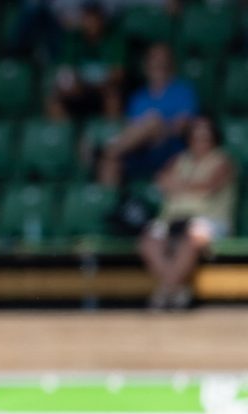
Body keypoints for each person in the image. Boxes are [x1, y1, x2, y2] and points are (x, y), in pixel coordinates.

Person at [139, 116, 235, 310]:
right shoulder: (179, 159)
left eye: (205, 138)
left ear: (214, 139)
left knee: (191, 238)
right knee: (149, 241)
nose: (200, 142)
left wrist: (177, 186)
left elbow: (208, 187)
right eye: (196, 137)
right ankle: (176, 289)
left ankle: (166, 290)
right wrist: (186, 187)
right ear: (189, 139)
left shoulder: (223, 160)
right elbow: (160, 181)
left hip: (209, 220)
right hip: (172, 219)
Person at [97, 43, 197, 187]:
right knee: (110, 163)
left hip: (168, 148)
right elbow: (130, 129)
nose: (159, 63)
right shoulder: (138, 97)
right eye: (154, 58)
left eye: (163, 59)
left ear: (171, 63)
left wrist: (155, 128)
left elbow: (181, 127)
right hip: (139, 149)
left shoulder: (184, 91)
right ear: (147, 64)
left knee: (153, 120)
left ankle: (107, 150)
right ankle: (109, 205)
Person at [46, 1, 125, 121]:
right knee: (54, 97)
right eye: (87, 18)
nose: (91, 23)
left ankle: (111, 136)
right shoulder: (74, 39)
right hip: (80, 89)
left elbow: (118, 73)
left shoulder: (114, 39)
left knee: (113, 96)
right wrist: (71, 84)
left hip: (102, 90)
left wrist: (92, 84)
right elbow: (67, 70)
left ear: (102, 20)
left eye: (94, 18)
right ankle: (63, 136)